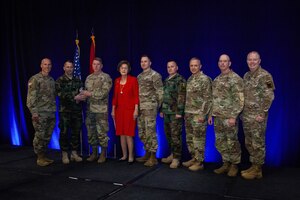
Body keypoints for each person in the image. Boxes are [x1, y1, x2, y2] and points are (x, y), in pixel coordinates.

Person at [240, 51, 275, 179]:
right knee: (249, 142)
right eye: (250, 59)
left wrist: (262, 113)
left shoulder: (265, 76)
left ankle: (258, 170)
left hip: (257, 117)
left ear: (259, 61)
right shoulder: (246, 75)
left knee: (257, 142)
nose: (252, 62)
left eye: (255, 59)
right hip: (247, 116)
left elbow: (269, 96)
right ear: (247, 61)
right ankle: (254, 165)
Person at [208, 54, 244, 177]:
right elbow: (213, 99)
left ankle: (234, 165)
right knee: (221, 141)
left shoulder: (236, 79)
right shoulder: (216, 80)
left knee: (232, 141)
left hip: (229, 118)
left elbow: (240, 100)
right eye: (220, 61)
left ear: (230, 63)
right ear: (218, 63)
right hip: (218, 117)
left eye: (225, 61)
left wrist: (234, 116)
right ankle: (225, 163)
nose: (222, 63)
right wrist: (210, 115)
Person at [182, 57, 212, 171]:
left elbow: (208, 99)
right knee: (190, 138)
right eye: (191, 65)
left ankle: (199, 162)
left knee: (198, 139)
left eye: (195, 65)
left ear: (200, 66)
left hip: (198, 115)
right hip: (189, 114)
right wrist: (185, 112)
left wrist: (202, 114)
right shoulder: (190, 79)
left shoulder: (205, 79)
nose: (193, 67)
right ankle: (194, 158)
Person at [81, 57, 112, 163]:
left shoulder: (106, 77)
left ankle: (103, 154)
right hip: (89, 110)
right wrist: (81, 96)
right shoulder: (88, 78)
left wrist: (89, 94)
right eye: (94, 64)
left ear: (101, 66)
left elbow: (103, 93)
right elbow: (85, 93)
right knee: (91, 132)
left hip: (101, 111)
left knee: (102, 133)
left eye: (98, 64)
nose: (96, 66)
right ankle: (94, 153)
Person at [26, 58, 56, 167]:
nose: (47, 66)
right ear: (41, 65)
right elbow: (30, 99)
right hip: (40, 113)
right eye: (45, 64)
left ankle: (43, 155)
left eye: (49, 64)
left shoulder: (52, 80)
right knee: (40, 135)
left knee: (47, 136)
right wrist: (34, 113)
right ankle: (39, 157)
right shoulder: (35, 79)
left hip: (51, 113)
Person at [55, 60, 85, 164]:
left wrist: (81, 97)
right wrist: (74, 97)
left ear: (73, 68)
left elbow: (82, 92)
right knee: (64, 132)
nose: (69, 69)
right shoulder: (60, 80)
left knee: (75, 132)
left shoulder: (78, 80)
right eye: (67, 67)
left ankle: (74, 153)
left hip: (76, 111)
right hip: (65, 112)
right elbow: (60, 94)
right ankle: (64, 153)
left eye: (71, 67)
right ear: (64, 68)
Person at [136, 55, 163, 167]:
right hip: (141, 109)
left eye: (145, 61)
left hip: (150, 108)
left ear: (150, 63)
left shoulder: (155, 75)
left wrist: (156, 106)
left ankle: (153, 157)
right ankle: (147, 153)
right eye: (141, 61)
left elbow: (160, 92)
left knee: (150, 132)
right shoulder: (139, 76)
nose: (143, 63)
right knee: (142, 132)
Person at [160, 60, 186, 169]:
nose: (170, 68)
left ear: (177, 67)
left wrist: (180, 112)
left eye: (172, 66)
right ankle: (172, 154)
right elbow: (164, 96)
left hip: (175, 113)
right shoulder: (166, 79)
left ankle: (176, 158)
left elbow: (181, 97)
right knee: (168, 135)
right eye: (168, 67)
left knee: (176, 136)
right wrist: (162, 109)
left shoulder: (180, 80)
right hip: (166, 112)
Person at [111, 60, 139, 164]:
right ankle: (124, 155)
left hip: (130, 111)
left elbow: (136, 96)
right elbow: (115, 98)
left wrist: (136, 109)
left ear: (128, 70)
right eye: (122, 68)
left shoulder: (133, 80)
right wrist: (113, 110)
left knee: (128, 134)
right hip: (119, 111)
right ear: (119, 69)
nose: (123, 69)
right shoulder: (117, 81)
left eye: (125, 68)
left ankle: (131, 156)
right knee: (121, 134)